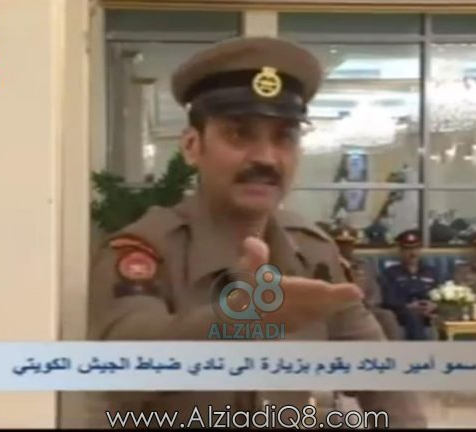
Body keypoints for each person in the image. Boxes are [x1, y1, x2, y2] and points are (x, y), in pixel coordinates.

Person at [87, 37, 426, 428]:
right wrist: (235, 321)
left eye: (284, 137)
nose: (265, 158)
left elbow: (382, 378)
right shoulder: (145, 249)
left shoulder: (313, 252)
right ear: (193, 146)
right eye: (239, 134)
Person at [328, 225, 402, 341]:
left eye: (348, 244)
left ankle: (394, 351)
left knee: (387, 316)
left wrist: (366, 305)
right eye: (340, 244)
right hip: (338, 312)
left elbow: (375, 295)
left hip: (365, 309)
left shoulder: (365, 266)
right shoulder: (326, 266)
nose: (344, 248)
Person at [380, 230, 439, 341]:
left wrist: (433, 305)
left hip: (428, 312)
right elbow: (388, 300)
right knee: (413, 315)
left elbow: (440, 293)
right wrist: (408, 306)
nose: (412, 253)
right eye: (408, 249)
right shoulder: (391, 273)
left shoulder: (432, 272)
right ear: (401, 251)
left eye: (416, 248)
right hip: (402, 313)